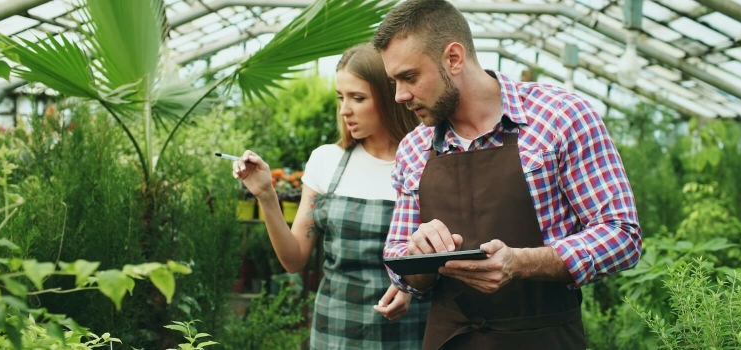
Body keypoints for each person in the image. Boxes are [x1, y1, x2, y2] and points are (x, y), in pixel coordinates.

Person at [372, 1, 642, 349]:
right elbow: (399, 262)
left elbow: (621, 234)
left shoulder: (561, 117)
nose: (399, 95)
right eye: (394, 80)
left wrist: (523, 263)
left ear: (453, 58)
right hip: (449, 339)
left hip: (543, 338)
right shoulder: (414, 148)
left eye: (409, 77)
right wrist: (418, 255)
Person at [232, 43, 429, 349]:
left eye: (358, 98)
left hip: (411, 329)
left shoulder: (428, 159)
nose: (344, 110)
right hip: (336, 330)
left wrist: (412, 288)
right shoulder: (327, 160)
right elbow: (294, 259)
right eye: (341, 97)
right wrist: (266, 195)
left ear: (390, 96)